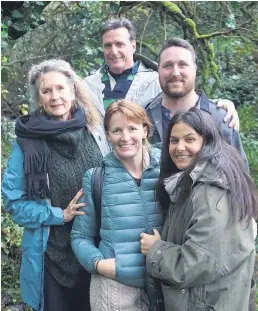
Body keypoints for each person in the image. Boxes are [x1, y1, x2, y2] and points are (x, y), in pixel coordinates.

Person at [2, 59, 110, 311]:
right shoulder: (27, 144)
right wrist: (59, 215)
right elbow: (13, 202)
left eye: (60, 88)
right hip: (51, 255)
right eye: (46, 91)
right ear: (39, 99)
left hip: (98, 250)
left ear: (72, 91)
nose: (55, 96)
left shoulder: (96, 130)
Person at [140, 107, 258, 311]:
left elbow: (197, 263)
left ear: (207, 141)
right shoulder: (193, 181)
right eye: (174, 140)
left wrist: (156, 250)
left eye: (189, 139)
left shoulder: (212, 191)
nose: (180, 147)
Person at [71, 100, 164, 311]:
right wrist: (98, 264)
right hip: (114, 288)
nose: (125, 137)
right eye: (117, 130)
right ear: (107, 135)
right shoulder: (96, 178)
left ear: (145, 130)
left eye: (132, 128)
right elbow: (80, 236)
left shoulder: (167, 170)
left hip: (164, 283)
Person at [84, 18, 238, 128]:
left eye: (119, 44)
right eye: (108, 45)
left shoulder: (157, 78)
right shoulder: (87, 85)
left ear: (133, 46)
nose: (113, 51)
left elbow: (185, 100)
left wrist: (219, 105)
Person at [145, 37, 246, 163]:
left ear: (194, 69)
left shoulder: (221, 119)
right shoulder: (144, 118)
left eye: (182, 64)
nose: (175, 72)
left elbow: (240, 177)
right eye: (168, 65)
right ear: (158, 70)